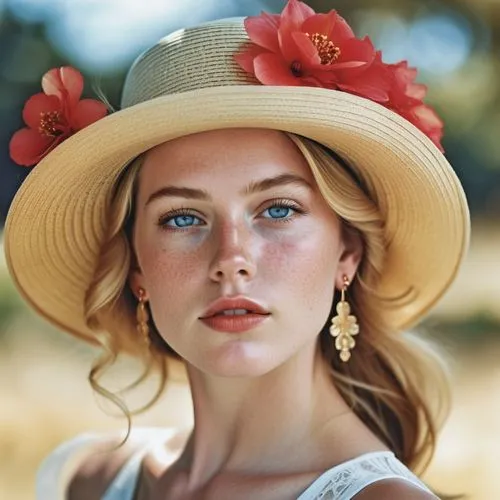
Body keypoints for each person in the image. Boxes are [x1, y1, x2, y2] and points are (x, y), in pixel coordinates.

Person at [4, 1, 470, 499]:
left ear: (347, 255)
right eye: (182, 218)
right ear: (137, 267)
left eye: (278, 209)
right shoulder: (92, 481)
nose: (231, 259)